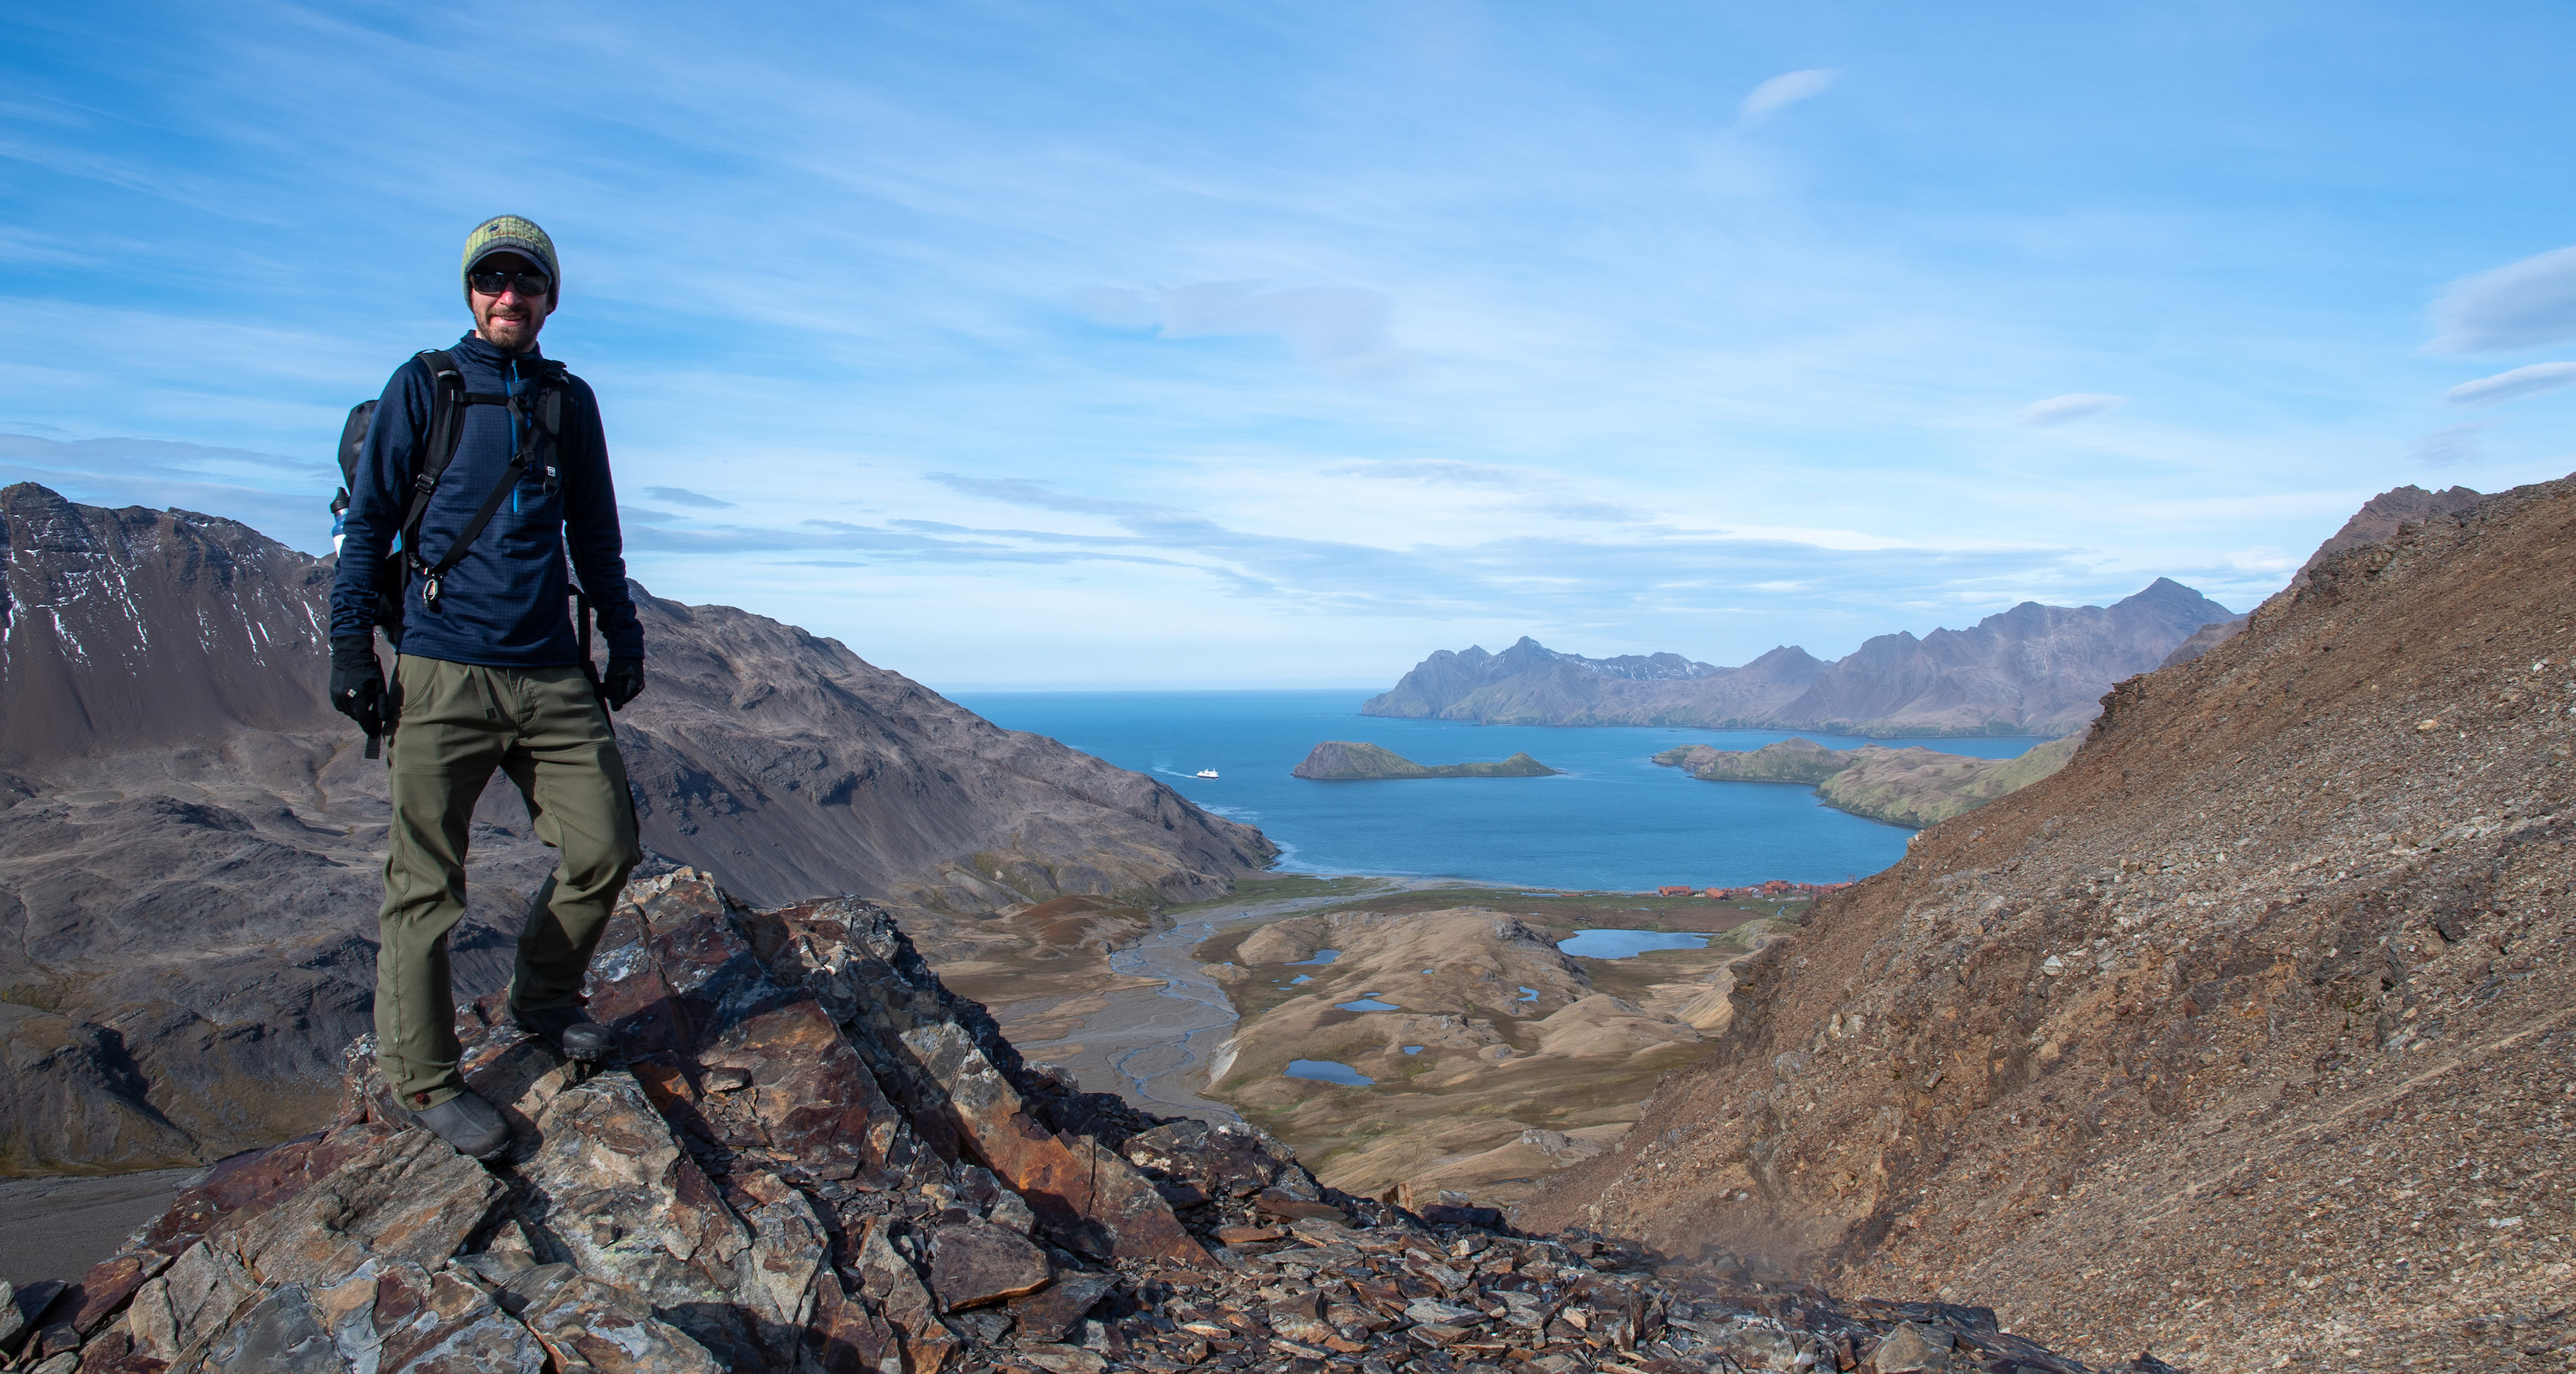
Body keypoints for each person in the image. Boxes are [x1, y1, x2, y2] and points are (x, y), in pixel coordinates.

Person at [327, 215, 647, 1159]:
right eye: (492, 279)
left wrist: (622, 636)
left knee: (607, 845)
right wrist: (352, 648)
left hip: (549, 667)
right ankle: (425, 1078)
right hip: (443, 665)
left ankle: (543, 997)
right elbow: (370, 526)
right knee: (426, 884)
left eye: (527, 281)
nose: (509, 295)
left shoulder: (568, 401)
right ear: (471, 291)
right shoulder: (424, 386)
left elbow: (595, 532)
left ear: (551, 297)